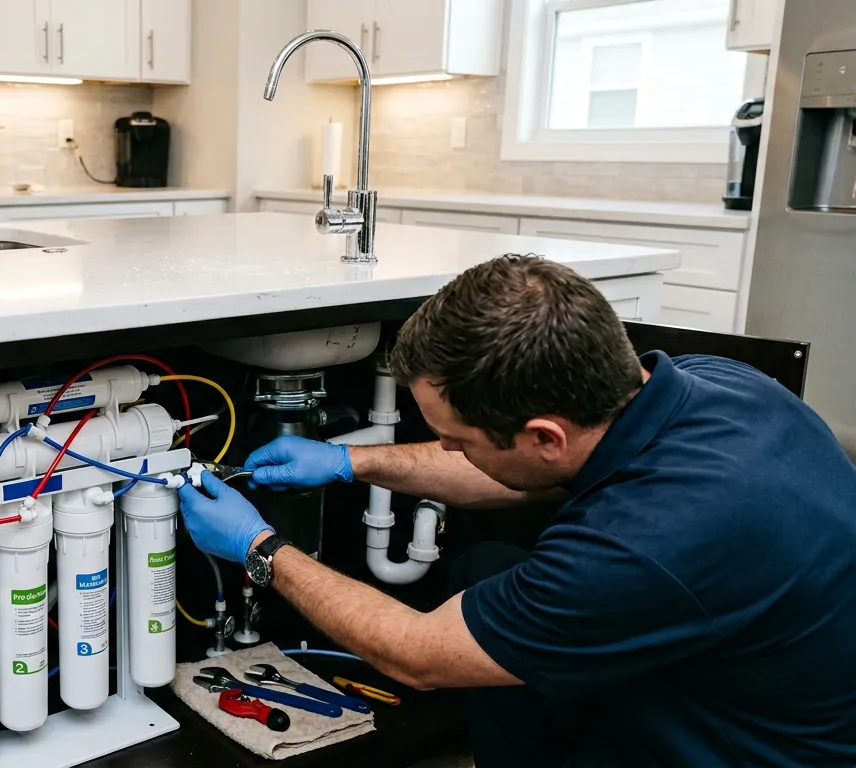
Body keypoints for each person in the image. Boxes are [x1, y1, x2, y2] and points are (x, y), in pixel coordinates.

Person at [177, 255, 856, 767]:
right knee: (488, 569)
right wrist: (350, 461)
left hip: (754, 748)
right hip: (753, 671)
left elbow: (418, 656)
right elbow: (536, 477)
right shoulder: (720, 383)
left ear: (545, 437)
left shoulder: (644, 546)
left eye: (458, 440)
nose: (448, 449)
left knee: (486, 642)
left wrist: (260, 548)